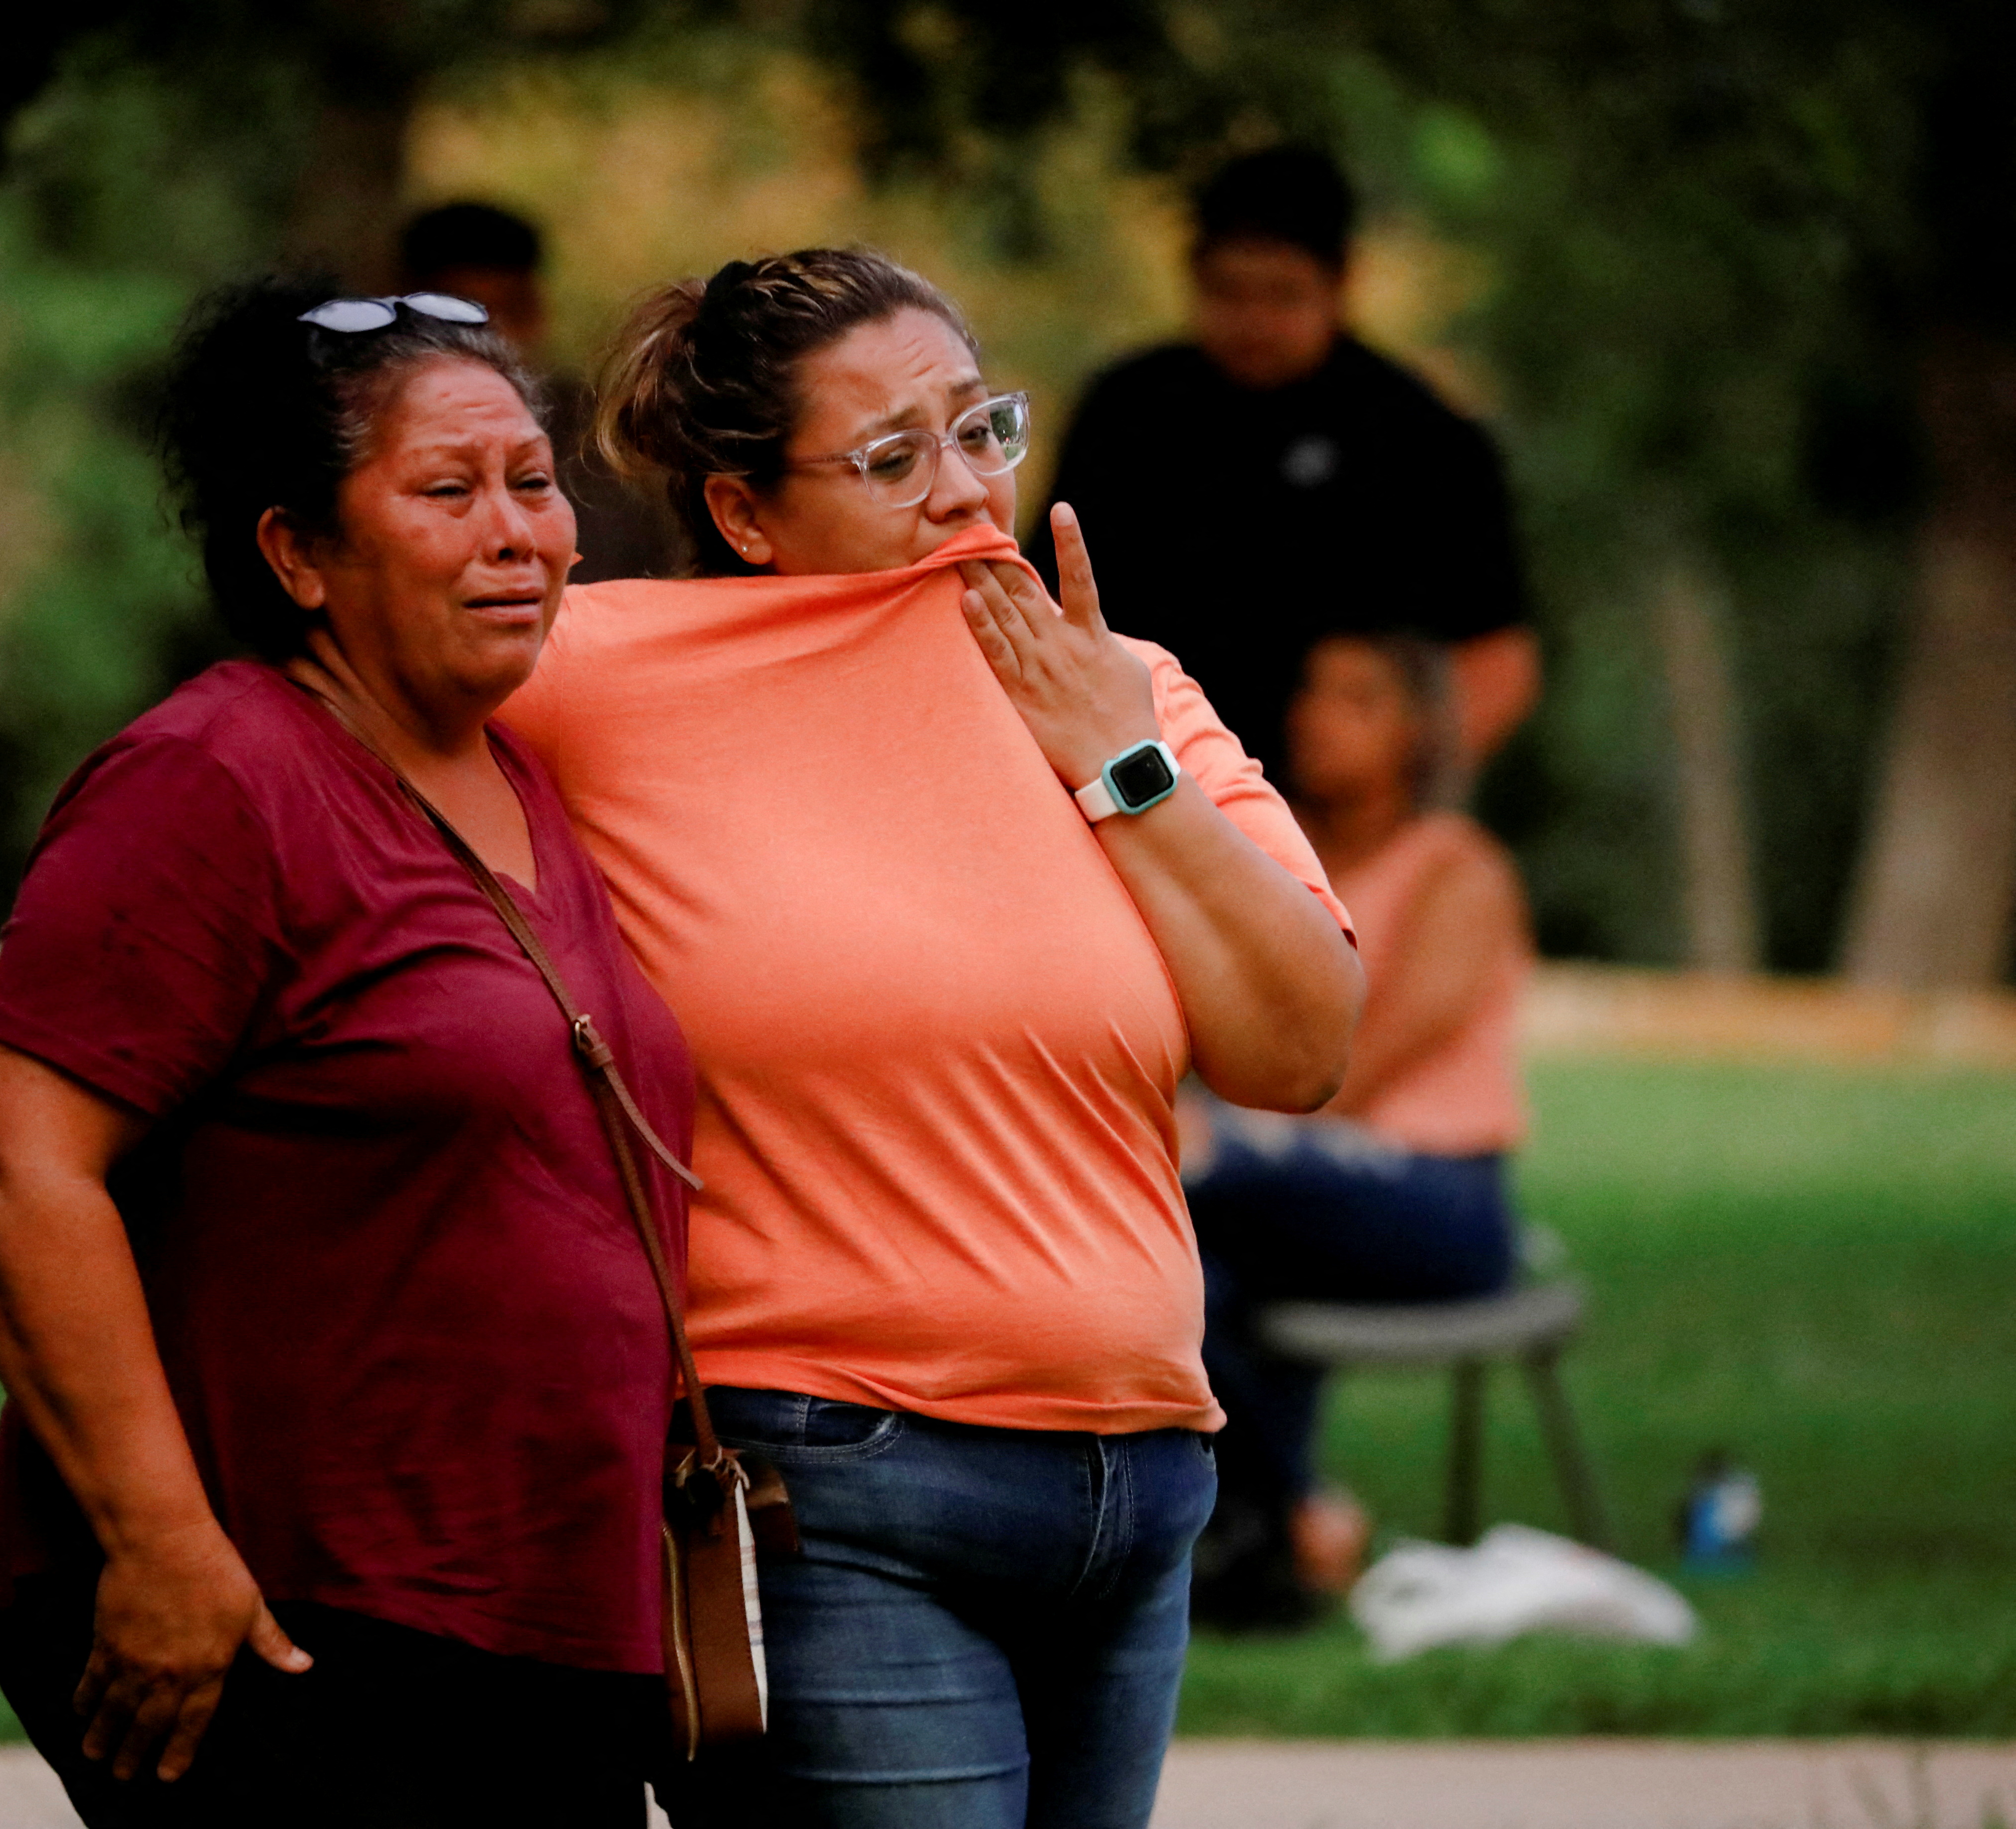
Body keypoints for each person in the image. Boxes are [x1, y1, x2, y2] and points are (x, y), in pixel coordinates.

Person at [499, 248, 1366, 1829]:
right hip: (836, 1473)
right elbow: (328, 707)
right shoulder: (597, 677)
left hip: (1143, 1471)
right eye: (894, 457)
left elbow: (1299, 1046)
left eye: (982, 429)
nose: (966, 491)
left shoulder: (1125, 686)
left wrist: (1119, 765)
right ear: (746, 513)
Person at [0, 279, 693, 1828]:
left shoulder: (520, 776)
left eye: (534, 481)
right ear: (297, 554)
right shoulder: (216, 778)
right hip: (305, 1622)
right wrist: (160, 1541)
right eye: (446, 489)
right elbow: (18, 1160)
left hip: (535, 1623)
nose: (519, 531)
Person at [1182, 631, 1534, 1630]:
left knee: (1177, 1184)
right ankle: (1275, 1531)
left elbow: (1346, 1063)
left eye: (1355, 698)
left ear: (1419, 731)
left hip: (1440, 1203)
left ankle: (1287, 1513)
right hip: (1284, 1189)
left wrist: (1221, 1129)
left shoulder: (1456, 871)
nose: (1310, 713)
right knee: (1186, 1273)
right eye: (1309, 689)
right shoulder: (1267, 850)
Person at [1026, 145, 1540, 779]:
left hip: (1328, 818)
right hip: (1133, 781)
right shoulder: (1128, 410)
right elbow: (1042, 603)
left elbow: (1496, 657)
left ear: (1340, 281)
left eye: (1283, 295)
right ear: (1195, 275)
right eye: (1230, 293)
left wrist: (1397, 804)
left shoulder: (1421, 436)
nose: (1255, 321)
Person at [401, 200, 687, 581]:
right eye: (461, 322)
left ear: (537, 311)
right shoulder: (369, 435)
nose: (493, 342)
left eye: (510, 314)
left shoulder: (602, 443)